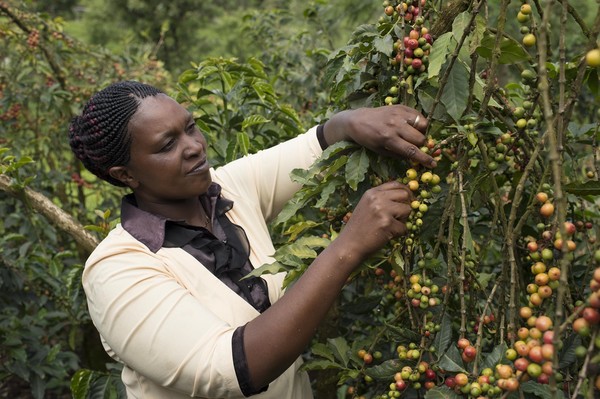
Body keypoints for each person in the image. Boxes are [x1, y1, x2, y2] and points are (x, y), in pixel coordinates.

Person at [68, 80, 434, 398]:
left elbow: (317, 144)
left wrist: (353, 120)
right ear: (125, 174)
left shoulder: (225, 191)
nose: (194, 146)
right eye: (167, 145)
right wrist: (348, 246)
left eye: (190, 127)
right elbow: (233, 369)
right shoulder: (116, 271)